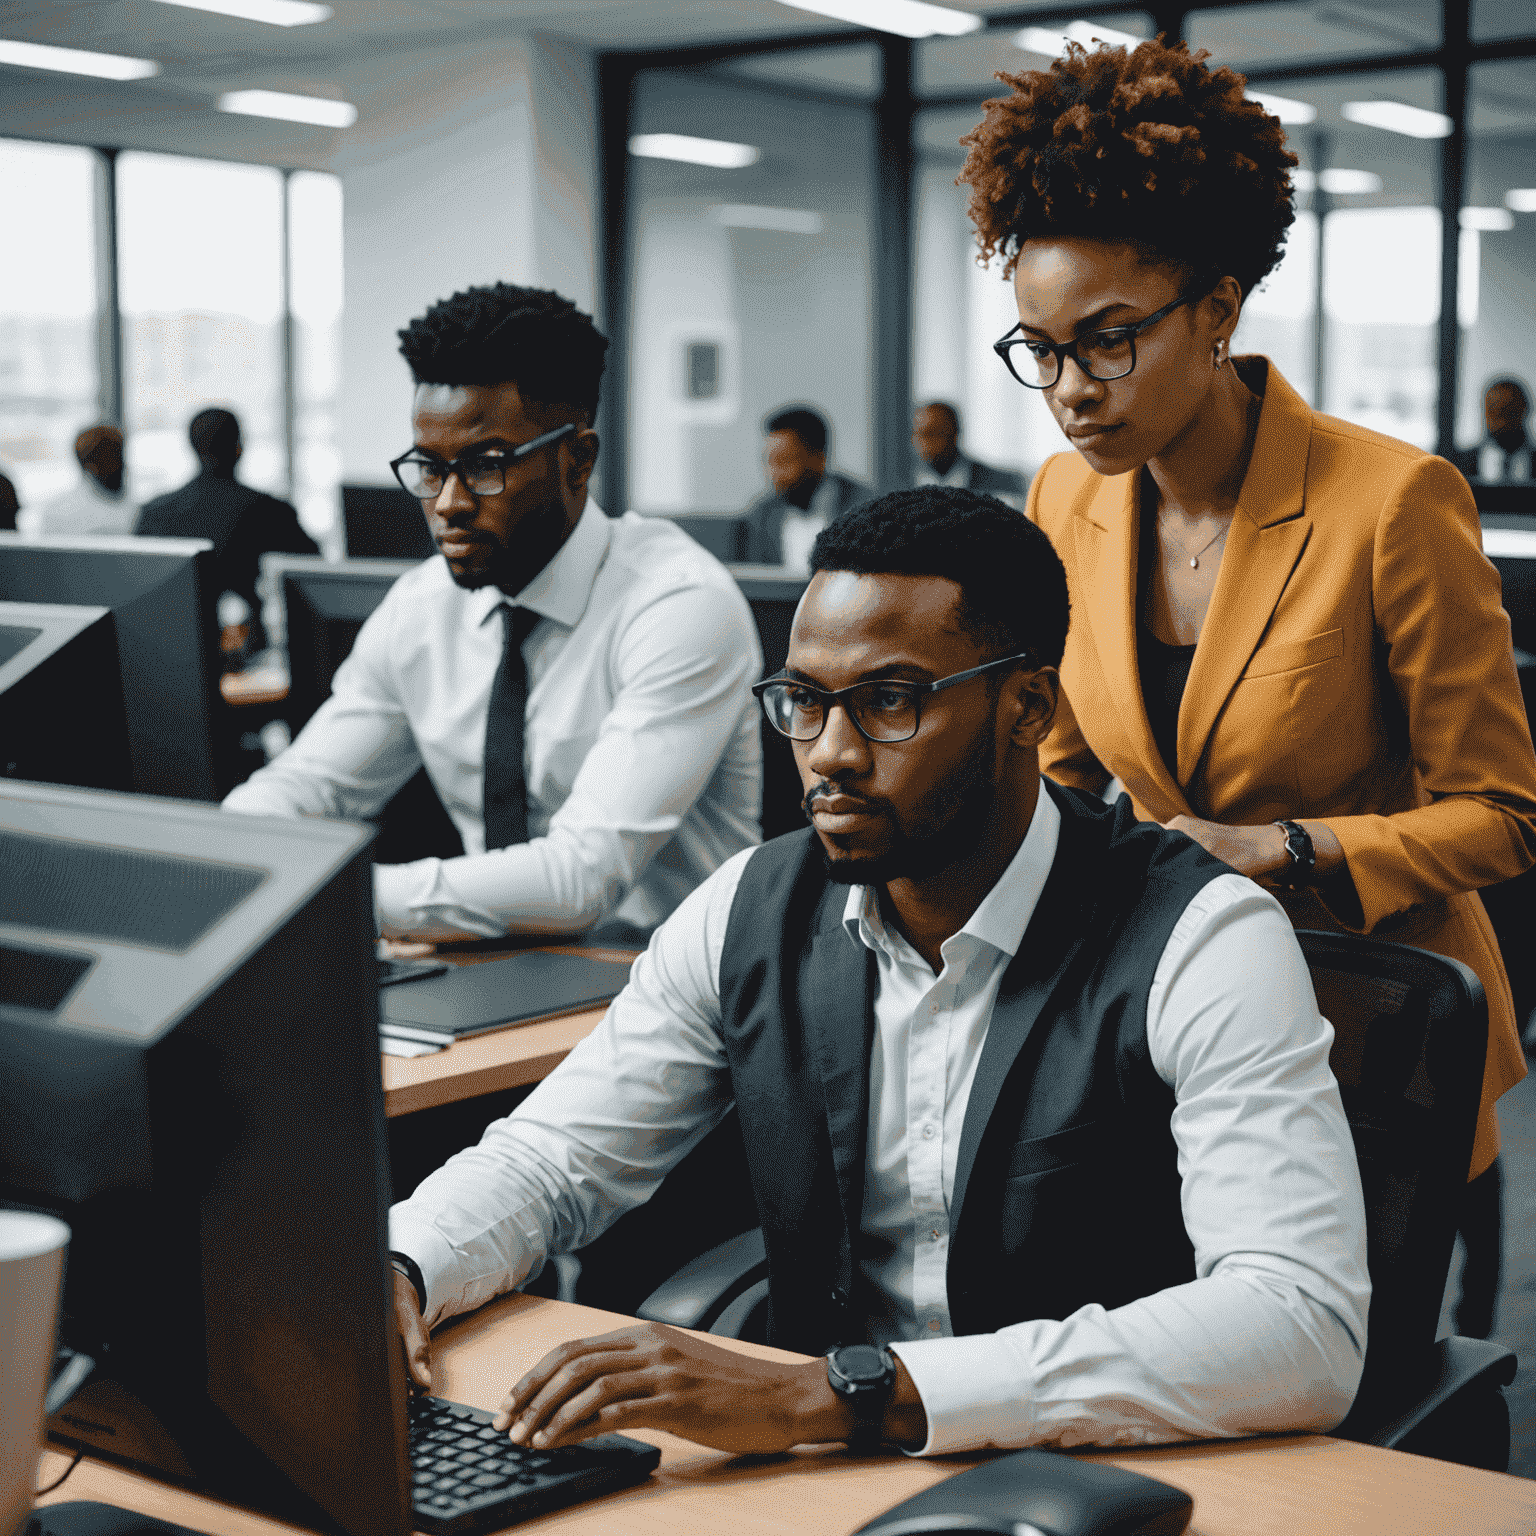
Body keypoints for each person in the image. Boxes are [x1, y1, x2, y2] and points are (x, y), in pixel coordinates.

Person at [387, 488, 1370, 1458]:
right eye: (804, 703)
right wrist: (400, 1266)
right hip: (841, 1476)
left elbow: (1300, 1323)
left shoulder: (1202, 933)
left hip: (1116, 1469)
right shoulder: (751, 908)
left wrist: (846, 1396)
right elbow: (552, 1159)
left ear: (1028, 705)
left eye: (890, 702)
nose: (831, 754)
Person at [959, 37, 1536, 1338]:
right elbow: (1064, 762)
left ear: (1217, 310)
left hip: (1377, 1031)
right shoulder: (1066, 496)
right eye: (1037, 349)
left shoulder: (1392, 503)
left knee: (1348, 1400)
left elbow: (1505, 813)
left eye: (1107, 341)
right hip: (1166, 1028)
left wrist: (1277, 849)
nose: (1067, 391)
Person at [224, 283, 762, 943]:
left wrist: (329, 896)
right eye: (429, 468)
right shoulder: (422, 610)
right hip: (489, 969)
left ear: (578, 460)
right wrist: (230, 849)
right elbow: (308, 788)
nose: (447, 503)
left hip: (668, 987)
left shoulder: (679, 606)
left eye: (483, 466)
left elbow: (581, 879)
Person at [135, 409, 318, 650]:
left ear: (192, 447)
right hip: (246, 651)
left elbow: (137, 590)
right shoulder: (269, 511)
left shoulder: (155, 513)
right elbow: (316, 573)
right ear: (239, 447)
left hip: (169, 649)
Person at [741, 405, 872, 572]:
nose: (774, 474)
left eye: (784, 461)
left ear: (819, 459)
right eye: (769, 462)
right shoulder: (762, 516)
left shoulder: (862, 509)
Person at [20, 425, 137, 538]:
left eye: (118, 456)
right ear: (89, 466)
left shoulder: (139, 510)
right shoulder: (58, 514)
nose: (119, 465)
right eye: (108, 459)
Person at [912, 401, 1025, 499]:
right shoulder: (901, 486)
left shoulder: (1003, 484)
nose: (924, 442)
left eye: (932, 433)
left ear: (955, 433)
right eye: (918, 434)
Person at [1449, 378, 1532, 483]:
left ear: (1525, 411)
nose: (1501, 421)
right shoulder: (1458, 465)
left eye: (1508, 412)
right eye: (1494, 411)